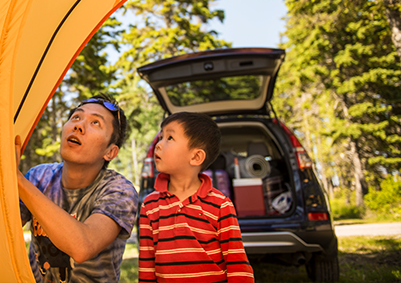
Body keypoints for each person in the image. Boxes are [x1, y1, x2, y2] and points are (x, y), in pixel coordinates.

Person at [16, 93, 138, 283]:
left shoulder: (119, 191)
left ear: (110, 152)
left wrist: (17, 179)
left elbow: (83, 247)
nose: (78, 126)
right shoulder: (38, 177)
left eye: (95, 123)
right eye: (76, 117)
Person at [138, 112, 254, 282]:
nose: (158, 145)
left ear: (196, 157)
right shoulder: (150, 206)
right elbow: (147, 264)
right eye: (161, 137)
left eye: (169, 138)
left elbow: (237, 263)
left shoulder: (221, 205)